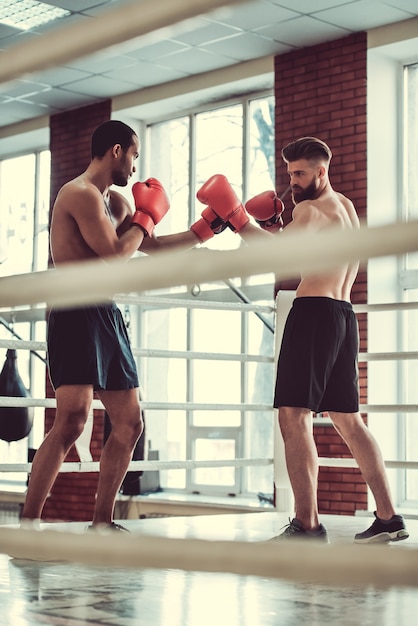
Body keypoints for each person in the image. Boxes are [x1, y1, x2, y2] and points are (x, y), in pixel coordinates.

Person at [195, 137, 409, 544]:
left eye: (299, 173)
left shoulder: (311, 209)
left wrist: (238, 219)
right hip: (343, 317)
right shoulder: (345, 208)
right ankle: (388, 516)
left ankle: (306, 524)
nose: (292, 182)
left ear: (321, 171)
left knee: (292, 416)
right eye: (289, 173)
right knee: (349, 420)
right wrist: (278, 225)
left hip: (312, 314)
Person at [21, 120, 205, 532]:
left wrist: (205, 229)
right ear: (116, 150)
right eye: (135, 156)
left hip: (104, 312)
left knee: (131, 422)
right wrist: (144, 218)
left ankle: (102, 521)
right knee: (72, 420)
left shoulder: (116, 203)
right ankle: (29, 522)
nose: (136, 167)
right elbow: (116, 254)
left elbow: (150, 245)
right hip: (72, 308)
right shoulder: (79, 194)